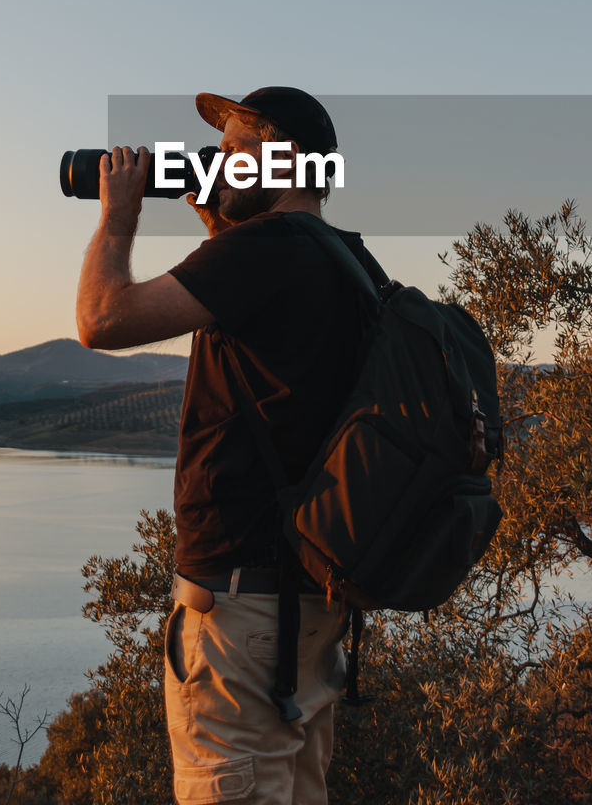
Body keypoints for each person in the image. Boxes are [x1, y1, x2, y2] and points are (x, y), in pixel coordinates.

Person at [75, 87, 385, 805]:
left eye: (236, 150)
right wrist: (219, 226)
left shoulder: (264, 252)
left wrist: (118, 215)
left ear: (287, 159)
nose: (218, 162)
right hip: (311, 611)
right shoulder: (353, 264)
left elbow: (101, 319)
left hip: (241, 619)